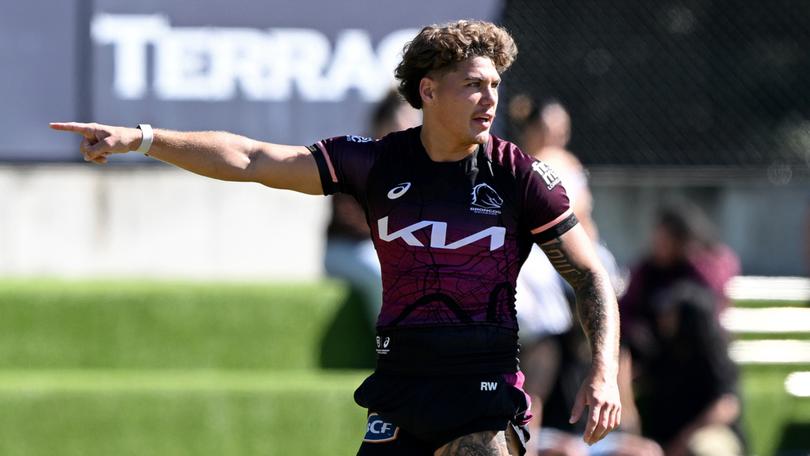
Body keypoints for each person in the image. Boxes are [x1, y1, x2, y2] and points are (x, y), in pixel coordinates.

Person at [50, 20, 621, 456]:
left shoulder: (517, 174)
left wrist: (601, 371)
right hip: (399, 390)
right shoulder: (374, 163)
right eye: (473, 85)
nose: (490, 98)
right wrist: (143, 137)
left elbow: (588, 272)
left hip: (484, 389)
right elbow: (252, 158)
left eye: (495, 84)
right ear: (427, 91)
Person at [323, 89, 421, 325]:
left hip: (382, 250)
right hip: (345, 250)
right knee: (383, 273)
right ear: (383, 123)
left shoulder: (414, 163)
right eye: (404, 121)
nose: (412, 128)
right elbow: (367, 223)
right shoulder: (355, 157)